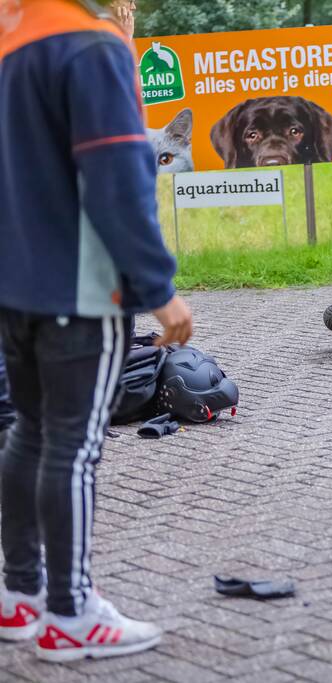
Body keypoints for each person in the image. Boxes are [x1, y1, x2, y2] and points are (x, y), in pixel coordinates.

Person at [0, 0, 193, 663]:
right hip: (81, 289)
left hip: (14, 286)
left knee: (29, 430)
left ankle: (19, 594)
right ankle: (70, 611)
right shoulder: (93, 49)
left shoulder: (11, 42)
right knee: (73, 447)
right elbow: (116, 180)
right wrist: (159, 291)